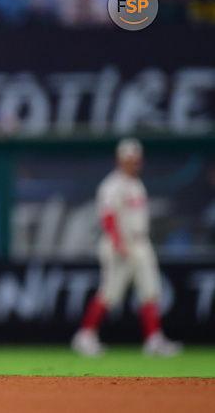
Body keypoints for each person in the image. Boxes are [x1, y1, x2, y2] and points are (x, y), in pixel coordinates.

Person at [71, 138, 182, 357]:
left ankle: (154, 339)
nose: (133, 163)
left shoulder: (136, 184)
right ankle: (84, 336)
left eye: (136, 159)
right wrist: (119, 243)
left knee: (150, 290)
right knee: (110, 293)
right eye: (129, 159)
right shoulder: (112, 184)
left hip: (141, 242)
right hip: (120, 244)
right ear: (120, 160)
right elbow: (108, 217)